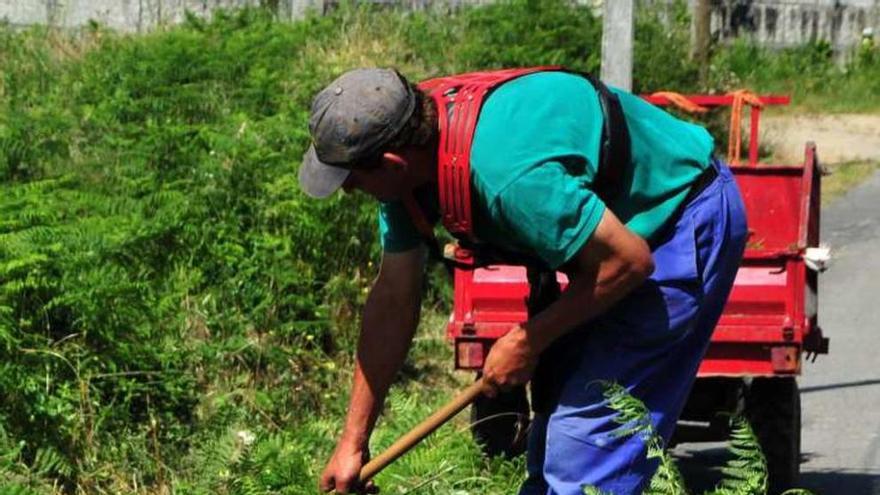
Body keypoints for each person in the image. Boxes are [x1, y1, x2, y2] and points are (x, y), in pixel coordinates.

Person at [299, 67, 748, 495]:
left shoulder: (506, 176)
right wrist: (352, 443)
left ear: (393, 162)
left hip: (678, 218)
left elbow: (629, 263)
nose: (348, 190)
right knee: (550, 441)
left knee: (585, 449)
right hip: (605, 248)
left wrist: (529, 340)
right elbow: (393, 299)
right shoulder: (407, 162)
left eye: (351, 179)